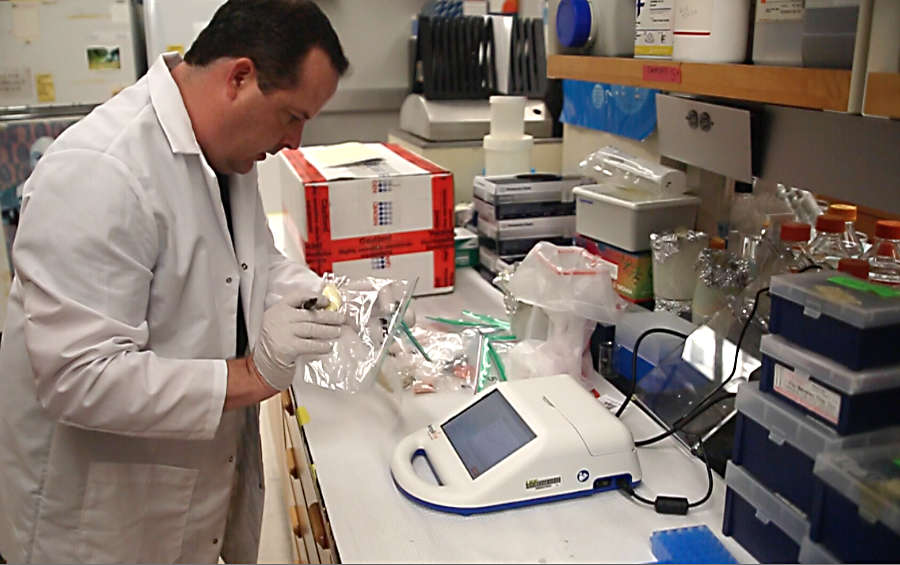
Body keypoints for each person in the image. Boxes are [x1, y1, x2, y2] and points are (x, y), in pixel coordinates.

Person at [0, 1, 350, 562]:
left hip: (189, 502)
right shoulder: (101, 171)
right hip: (99, 527)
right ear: (240, 77)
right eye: (292, 116)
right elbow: (77, 377)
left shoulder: (225, 157)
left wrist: (311, 298)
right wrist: (254, 375)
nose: (296, 143)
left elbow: (251, 260)